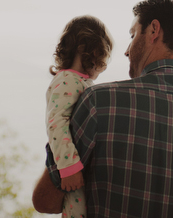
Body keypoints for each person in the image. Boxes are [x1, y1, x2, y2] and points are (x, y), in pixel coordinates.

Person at [33, 0, 173, 217]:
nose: (126, 50)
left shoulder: (99, 103)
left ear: (154, 30)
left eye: (132, 36)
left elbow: (46, 201)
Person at [45, 15, 113, 218]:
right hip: (72, 169)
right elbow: (56, 123)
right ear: (92, 51)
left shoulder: (74, 81)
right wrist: (68, 167)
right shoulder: (68, 81)